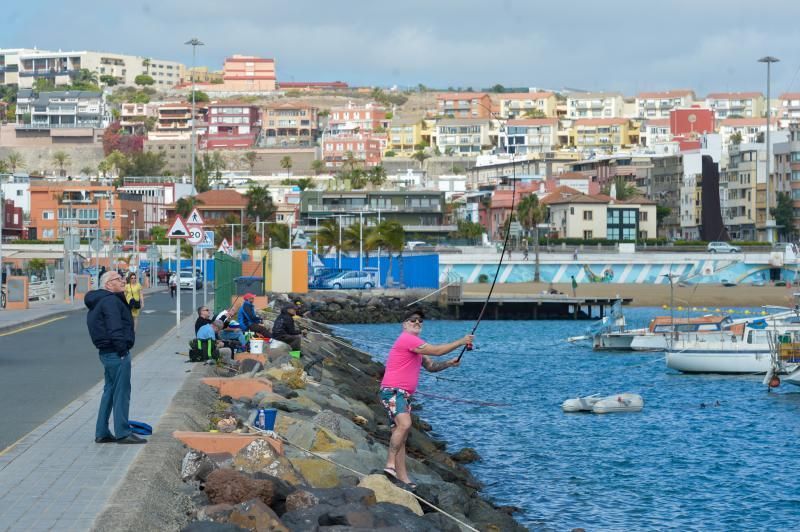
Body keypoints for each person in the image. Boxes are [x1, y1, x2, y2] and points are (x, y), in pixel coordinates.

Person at [379, 309, 473, 489]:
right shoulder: (408, 339)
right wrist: (461, 341)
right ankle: (389, 464)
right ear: (404, 325)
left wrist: (448, 364)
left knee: (402, 435)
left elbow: (431, 366)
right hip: (393, 391)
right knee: (405, 424)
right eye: (412, 320)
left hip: (403, 395)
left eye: (420, 321)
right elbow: (437, 351)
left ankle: (403, 478)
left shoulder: (417, 346)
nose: (417, 322)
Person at [85, 271, 146, 444]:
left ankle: (102, 432)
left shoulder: (99, 300)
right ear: (108, 284)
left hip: (106, 352)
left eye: (122, 279)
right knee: (122, 392)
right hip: (116, 352)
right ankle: (123, 432)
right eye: (118, 279)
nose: (122, 282)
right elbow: (114, 327)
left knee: (110, 391)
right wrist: (122, 350)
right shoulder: (110, 301)